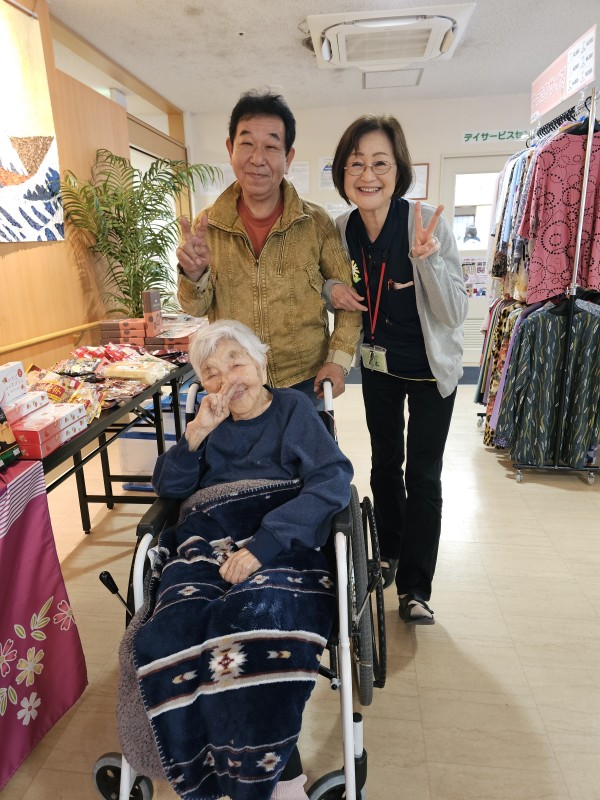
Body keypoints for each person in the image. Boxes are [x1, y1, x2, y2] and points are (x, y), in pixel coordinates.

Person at [127, 319, 353, 800]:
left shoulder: (294, 410)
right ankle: (217, 770)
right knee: (169, 632)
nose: (227, 378)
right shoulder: (208, 423)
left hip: (283, 542)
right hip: (206, 538)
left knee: (257, 622)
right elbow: (169, 489)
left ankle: (276, 778)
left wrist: (262, 546)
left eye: (237, 363)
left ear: (261, 364)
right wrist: (195, 435)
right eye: (211, 372)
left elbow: (332, 481)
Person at [331, 115, 468, 624]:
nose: (368, 175)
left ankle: (415, 587)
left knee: (423, 476)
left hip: (431, 371)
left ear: (398, 170)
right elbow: (323, 281)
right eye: (356, 164)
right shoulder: (341, 229)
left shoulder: (425, 222)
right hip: (379, 367)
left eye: (380, 163)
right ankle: (389, 551)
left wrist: (427, 261)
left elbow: (455, 313)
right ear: (343, 173)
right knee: (385, 464)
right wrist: (329, 289)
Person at [176, 89, 363, 405]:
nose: (257, 158)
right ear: (230, 149)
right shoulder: (208, 225)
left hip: (305, 382)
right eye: (247, 143)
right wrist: (193, 275)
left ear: (288, 158)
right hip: (234, 383)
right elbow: (195, 308)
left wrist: (339, 359)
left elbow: (350, 302)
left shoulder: (315, 223)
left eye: (272, 146)